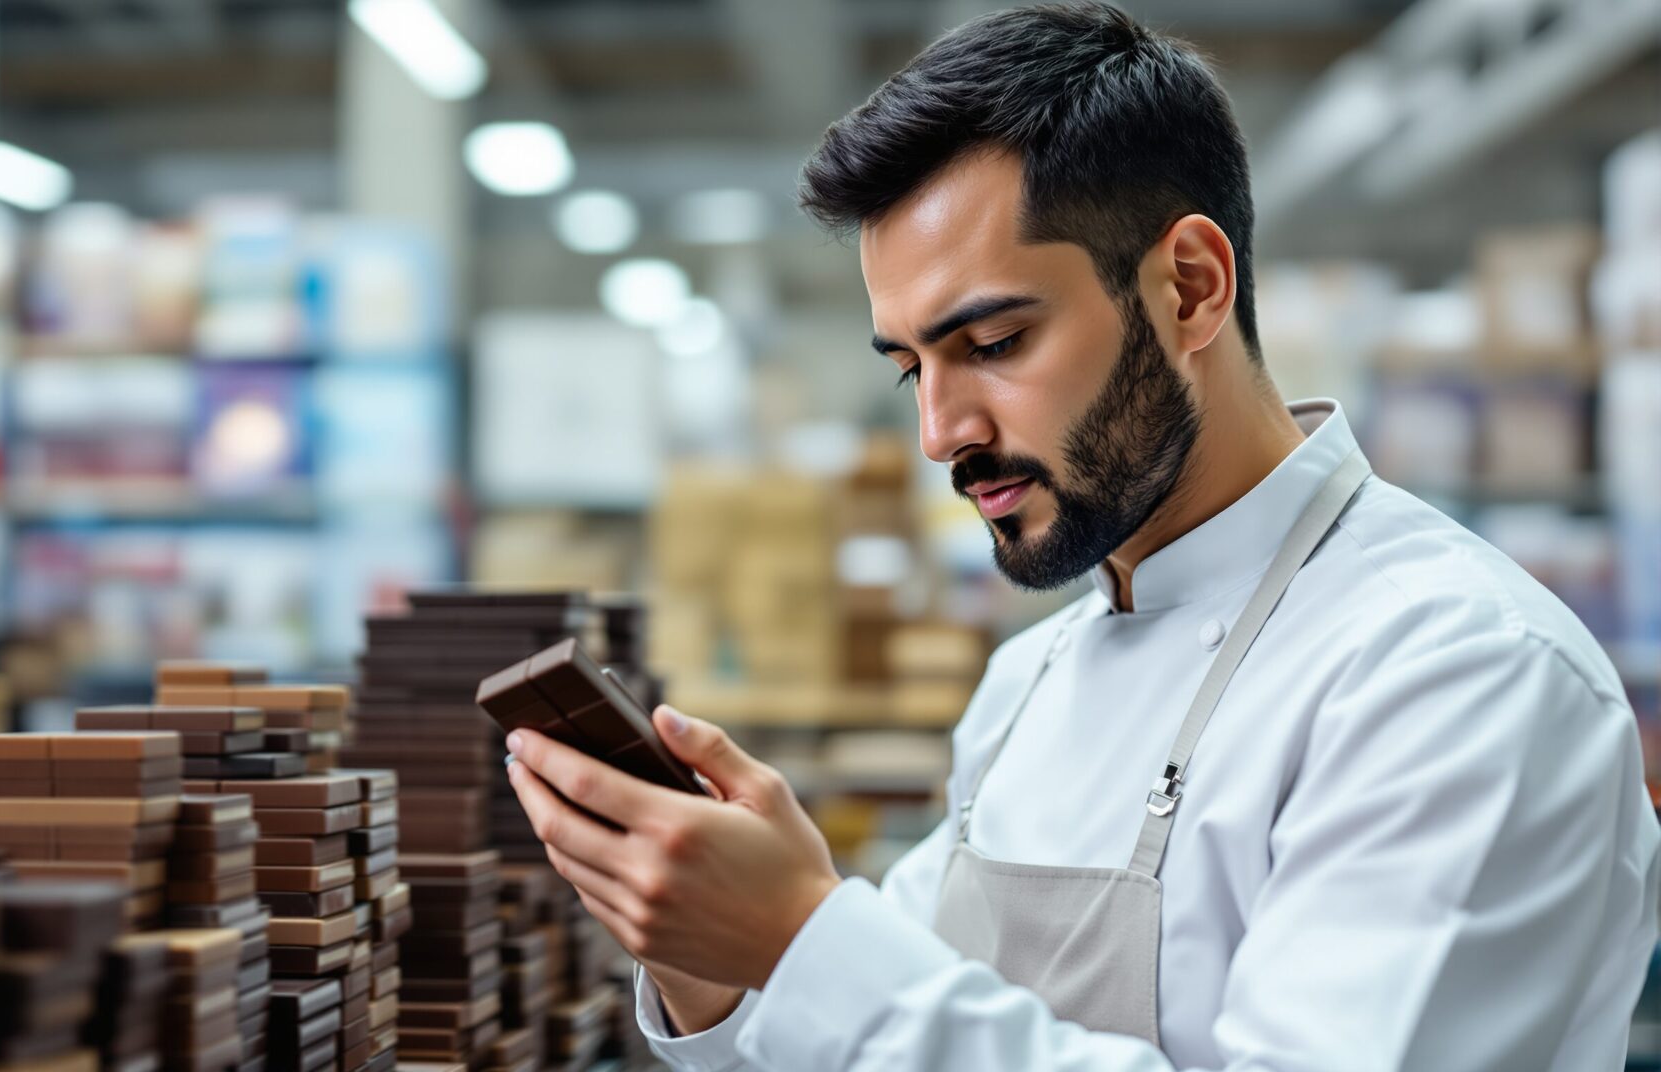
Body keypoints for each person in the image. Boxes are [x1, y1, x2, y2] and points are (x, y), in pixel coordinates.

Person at [503, 3, 1661, 1068]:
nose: (939, 432)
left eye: (994, 343)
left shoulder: (1459, 674)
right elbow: (870, 1033)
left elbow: (870, 999)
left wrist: (807, 937)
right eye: (911, 367)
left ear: (1192, 289)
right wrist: (710, 945)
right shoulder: (1028, 684)